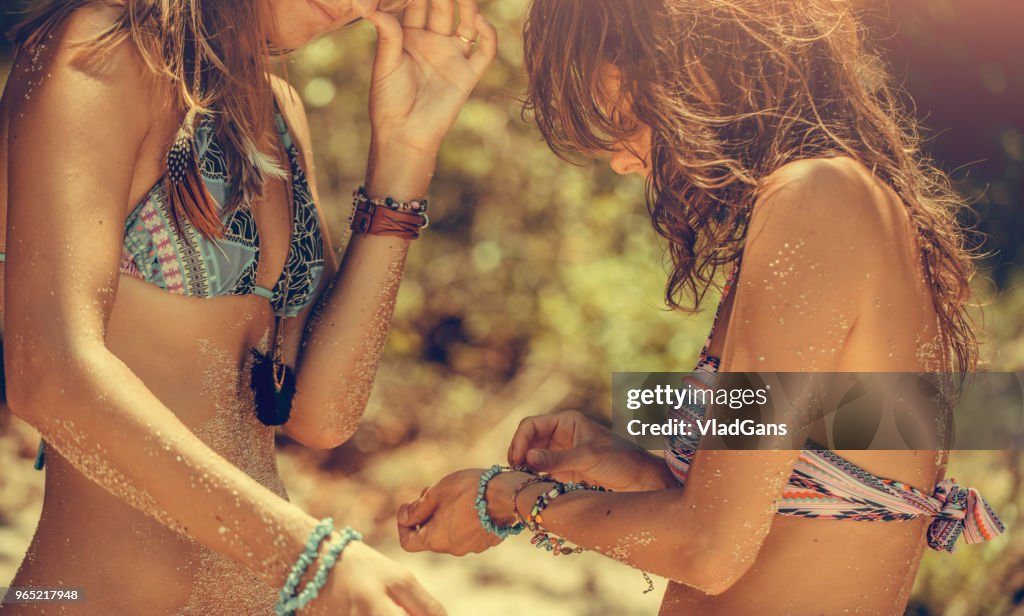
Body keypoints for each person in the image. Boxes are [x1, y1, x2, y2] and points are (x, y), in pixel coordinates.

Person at [395, 1, 1005, 614]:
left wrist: (506, 497)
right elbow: (774, 512)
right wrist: (629, 468)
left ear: (706, 60)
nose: (619, 156)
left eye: (628, 118)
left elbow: (709, 551)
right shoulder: (835, 204)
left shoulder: (817, 199)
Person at [0, 0, 496, 613]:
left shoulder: (275, 106)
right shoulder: (103, 46)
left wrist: (406, 153)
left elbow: (319, 414)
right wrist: (314, 558)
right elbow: (50, 374)